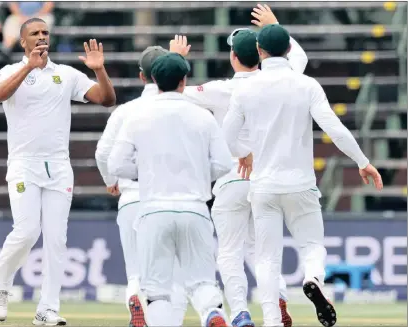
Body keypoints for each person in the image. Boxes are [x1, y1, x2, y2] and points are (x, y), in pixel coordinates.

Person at [222, 23, 383, 327]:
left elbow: (226, 137)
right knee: (313, 247)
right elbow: (334, 129)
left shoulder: (244, 88)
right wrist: (362, 161)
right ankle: (313, 278)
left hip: (263, 186)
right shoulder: (306, 84)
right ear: (288, 51)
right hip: (301, 185)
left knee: (267, 259)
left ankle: (272, 321)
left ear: (259, 51)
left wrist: (244, 151)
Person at [180, 5, 307, 327]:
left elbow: (175, 91)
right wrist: (277, 26)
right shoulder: (283, 81)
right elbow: (299, 59)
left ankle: (239, 312)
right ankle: (276, 304)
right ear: (263, 55)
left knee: (230, 252)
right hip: (269, 180)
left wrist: (176, 58)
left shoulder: (220, 89)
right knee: (264, 253)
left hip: (232, 178)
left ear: (234, 57)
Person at [0, 17, 116, 326]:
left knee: (57, 240)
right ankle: (0, 286)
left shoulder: (66, 74)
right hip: (23, 165)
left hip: (58, 166)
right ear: (23, 41)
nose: (42, 37)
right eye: (35, 33)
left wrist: (98, 69)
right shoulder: (10, 71)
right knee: (28, 231)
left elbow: (106, 99)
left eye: (45, 32)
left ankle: (47, 309)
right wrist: (29, 67)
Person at [107, 53, 234, 327]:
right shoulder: (203, 117)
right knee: (202, 282)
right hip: (196, 209)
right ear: (184, 80)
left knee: (157, 292)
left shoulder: (137, 116)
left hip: (153, 210)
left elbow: (116, 164)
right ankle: (213, 313)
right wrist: (200, 176)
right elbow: (223, 164)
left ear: (152, 79)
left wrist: (147, 175)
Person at [95, 44, 189, 327]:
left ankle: (136, 296)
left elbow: (103, 154)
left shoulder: (126, 111)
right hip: (173, 200)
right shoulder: (184, 108)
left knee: (136, 272)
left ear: (141, 76)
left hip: (132, 199)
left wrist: (112, 181)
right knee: (172, 277)